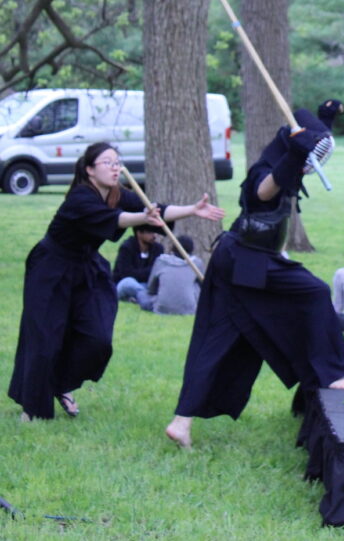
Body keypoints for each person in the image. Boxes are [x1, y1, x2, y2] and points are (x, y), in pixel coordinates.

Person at [165, 103, 344, 449]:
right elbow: (263, 191)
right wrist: (294, 155)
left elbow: (307, 135)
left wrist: (323, 119)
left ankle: (181, 422)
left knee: (219, 342)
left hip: (246, 261)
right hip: (244, 261)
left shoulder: (292, 162)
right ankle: (327, 373)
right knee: (314, 292)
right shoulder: (266, 169)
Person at [8, 141, 225, 421]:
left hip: (87, 269)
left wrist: (192, 209)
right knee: (45, 337)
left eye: (117, 162)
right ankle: (33, 408)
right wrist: (142, 217)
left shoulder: (116, 194)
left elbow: (155, 210)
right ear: (89, 170)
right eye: (108, 162)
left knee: (97, 339)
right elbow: (120, 219)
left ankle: (61, 384)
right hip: (51, 269)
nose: (115, 168)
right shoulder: (80, 198)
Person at [127, 235, 206, 315]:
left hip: (162, 307)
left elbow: (151, 288)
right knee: (196, 286)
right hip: (190, 309)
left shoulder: (162, 261)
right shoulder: (197, 263)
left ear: (173, 248)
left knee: (142, 294)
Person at [113, 223, 164, 304]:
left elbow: (157, 272)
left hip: (147, 285)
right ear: (139, 233)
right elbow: (126, 274)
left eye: (155, 232)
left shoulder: (158, 249)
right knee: (128, 282)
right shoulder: (127, 248)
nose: (154, 236)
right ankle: (145, 297)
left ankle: (137, 298)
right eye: (150, 232)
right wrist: (149, 271)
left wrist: (143, 273)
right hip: (125, 284)